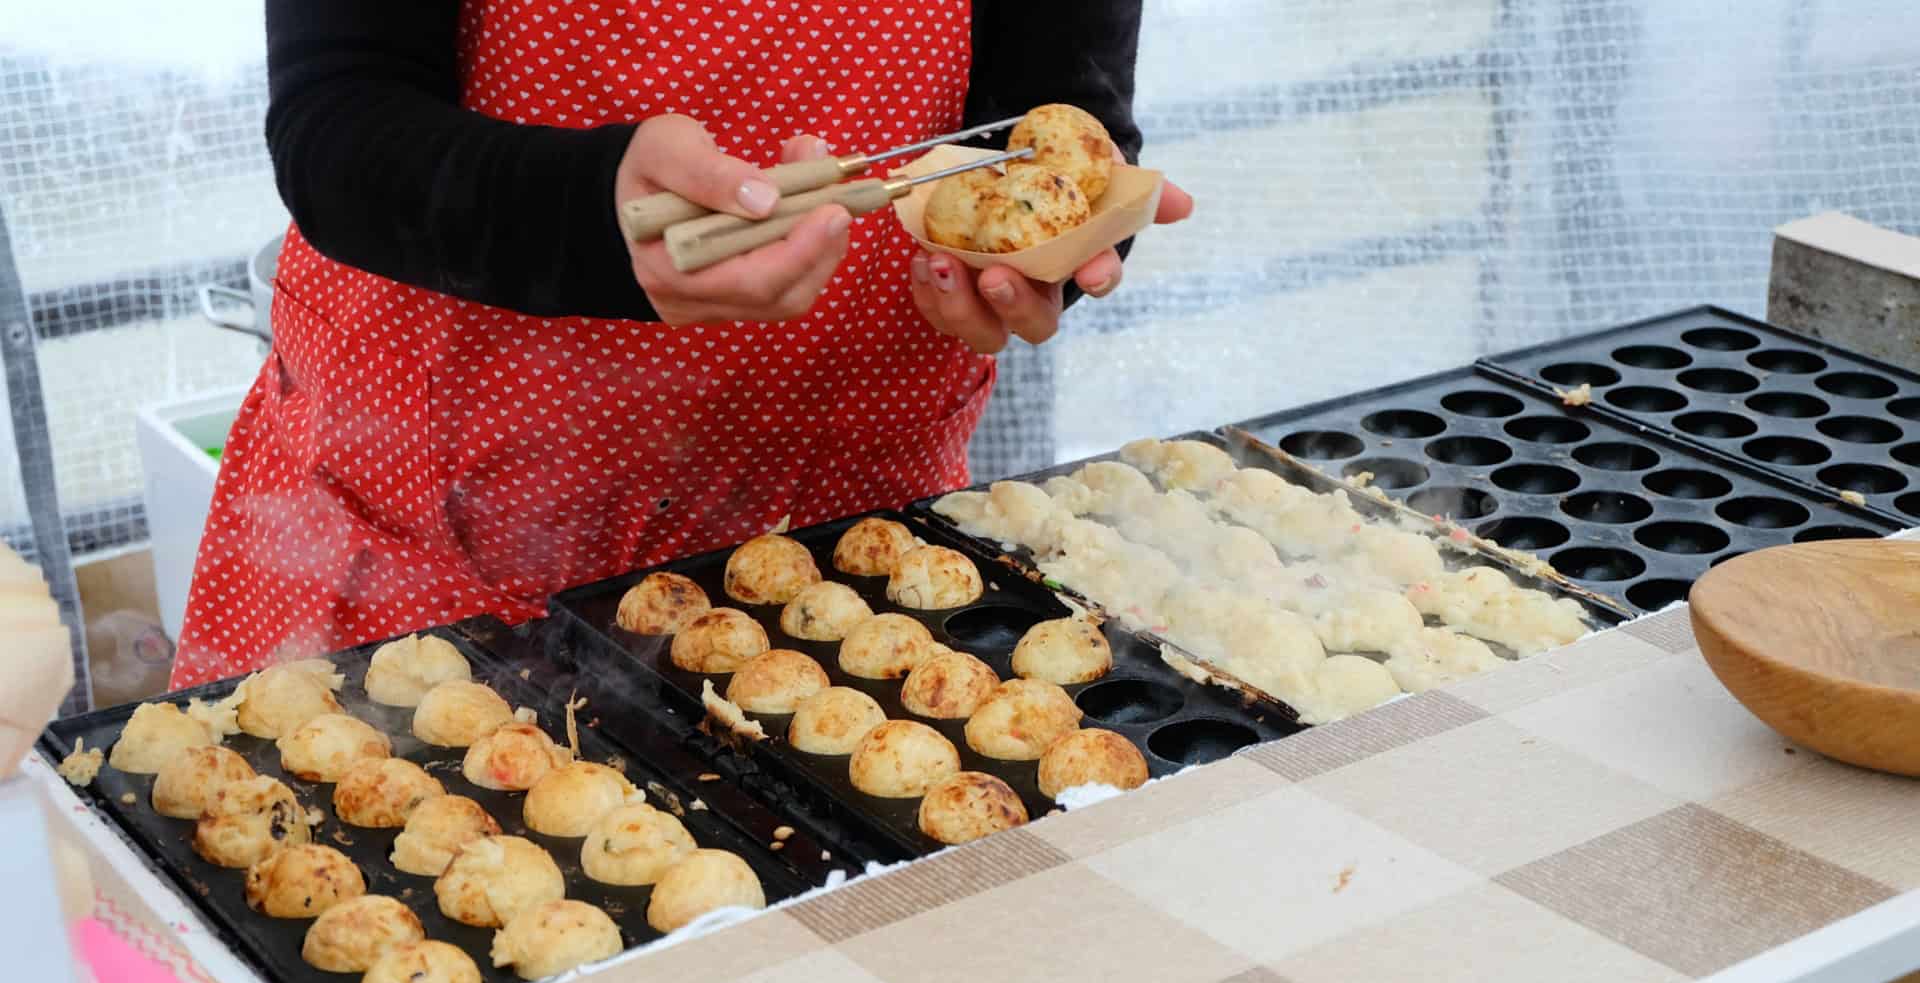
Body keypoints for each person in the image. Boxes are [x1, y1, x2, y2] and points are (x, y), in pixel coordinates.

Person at [172, 0, 1192, 686]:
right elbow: (337, 123)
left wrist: (1057, 242)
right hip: (445, 527)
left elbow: (1058, 114)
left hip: (852, 549)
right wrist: (579, 213)